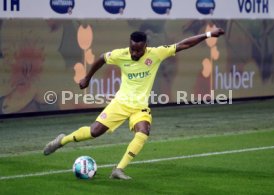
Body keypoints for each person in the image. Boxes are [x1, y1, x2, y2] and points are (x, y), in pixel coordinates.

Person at [43, 28, 225, 180]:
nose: (134, 53)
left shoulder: (156, 54)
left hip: (139, 107)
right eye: (132, 49)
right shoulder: (121, 55)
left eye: (138, 50)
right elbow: (100, 58)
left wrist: (208, 35)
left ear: (145, 46)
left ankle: (118, 169)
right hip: (120, 103)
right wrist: (87, 77)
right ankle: (62, 140)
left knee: (143, 132)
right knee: (94, 132)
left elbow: (183, 44)